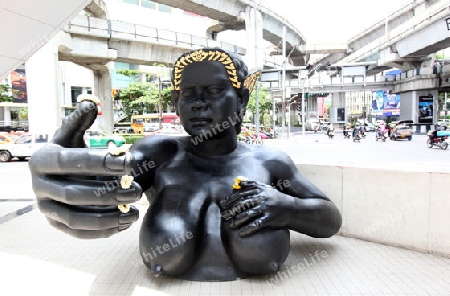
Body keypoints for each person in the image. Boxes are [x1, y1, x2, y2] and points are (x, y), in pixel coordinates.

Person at [29, 48, 342, 282]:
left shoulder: (269, 162)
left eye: (214, 91)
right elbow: (109, 179)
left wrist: (286, 208)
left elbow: (329, 220)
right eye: (187, 94)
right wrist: (74, 175)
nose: (198, 103)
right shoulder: (161, 153)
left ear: (242, 100)